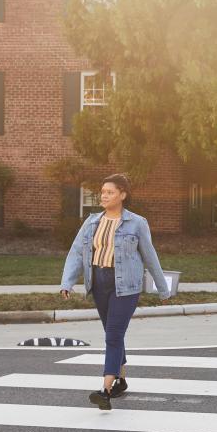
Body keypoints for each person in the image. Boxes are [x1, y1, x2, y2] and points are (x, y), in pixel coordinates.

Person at [60, 174, 173, 410]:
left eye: (110, 192)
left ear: (122, 195)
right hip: (99, 283)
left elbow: (150, 257)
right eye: (102, 192)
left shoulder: (136, 223)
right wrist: (67, 282)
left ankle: (105, 390)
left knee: (112, 335)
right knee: (114, 334)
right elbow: (76, 253)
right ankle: (121, 380)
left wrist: (163, 289)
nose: (104, 196)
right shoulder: (92, 222)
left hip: (126, 286)